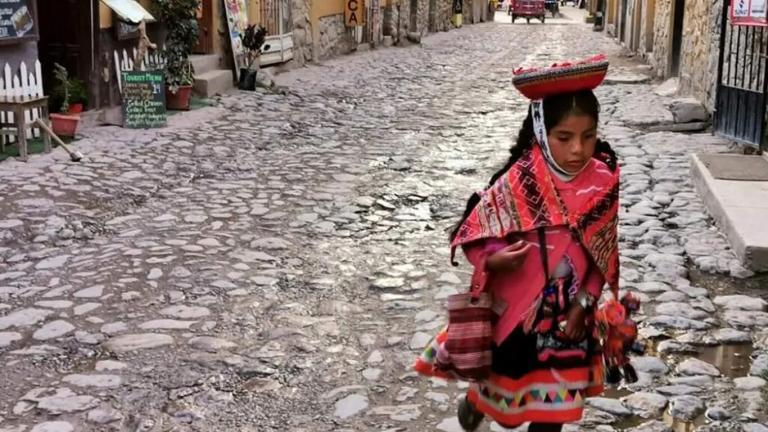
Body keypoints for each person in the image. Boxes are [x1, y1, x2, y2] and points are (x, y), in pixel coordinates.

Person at [414, 55, 621, 432]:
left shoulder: (602, 182)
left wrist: (585, 302)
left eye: (587, 136)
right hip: (516, 320)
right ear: (542, 132)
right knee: (505, 405)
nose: (577, 149)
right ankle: (478, 403)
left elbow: (602, 256)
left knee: (551, 414)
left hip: (568, 318)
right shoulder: (517, 182)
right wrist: (492, 260)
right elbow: (475, 233)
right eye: (564, 138)